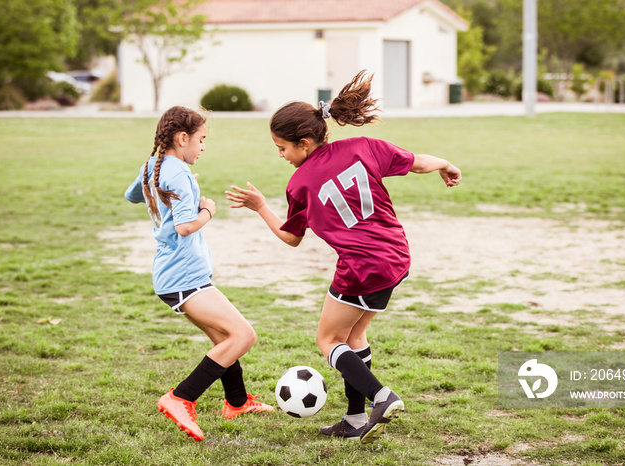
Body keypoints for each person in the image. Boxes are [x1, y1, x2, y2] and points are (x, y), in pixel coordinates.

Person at [225, 71, 461, 443]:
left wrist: (260, 207)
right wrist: (445, 164)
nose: (282, 156)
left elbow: (290, 237)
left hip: (361, 268)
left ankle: (381, 397)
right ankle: (353, 421)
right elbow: (416, 162)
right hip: (396, 257)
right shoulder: (364, 146)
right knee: (355, 334)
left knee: (328, 338)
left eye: (282, 148)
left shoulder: (299, 183)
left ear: (304, 142)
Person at [124, 106, 274, 442]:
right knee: (243, 336)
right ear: (182, 138)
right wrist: (206, 209)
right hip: (184, 278)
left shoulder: (154, 165)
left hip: (172, 276)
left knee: (224, 339)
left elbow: (131, 195)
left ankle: (237, 402)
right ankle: (180, 398)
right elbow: (185, 226)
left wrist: (163, 187)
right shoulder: (176, 173)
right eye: (201, 139)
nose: (203, 146)